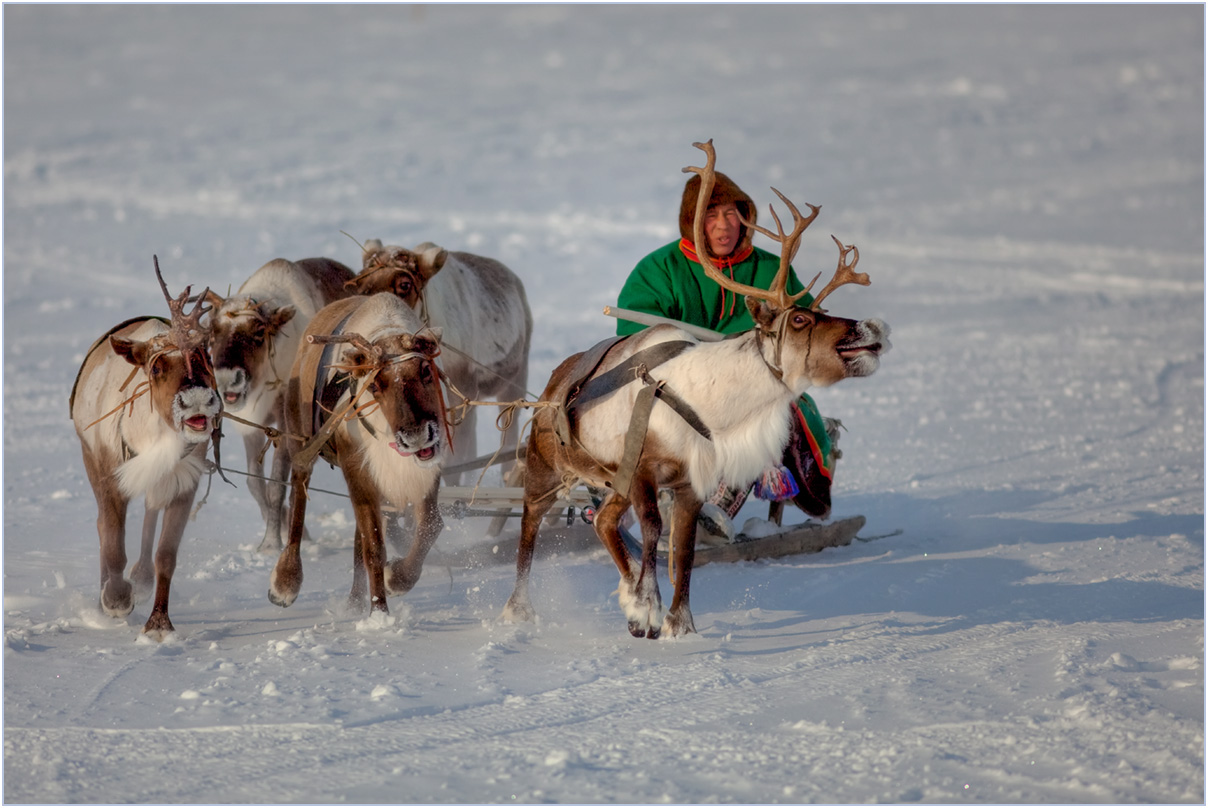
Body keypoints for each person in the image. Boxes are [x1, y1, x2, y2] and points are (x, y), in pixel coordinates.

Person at [615, 169, 840, 537]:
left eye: (732, 214)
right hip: (679, 392)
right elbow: (635, 340)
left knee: (759, 414)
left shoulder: (770, 271)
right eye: (711, 214)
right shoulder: (659, 269)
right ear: (692, 221)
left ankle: (713, 510)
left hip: (751, 391)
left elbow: (806, 335)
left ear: (746, 218)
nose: (723, 226)